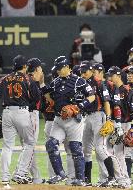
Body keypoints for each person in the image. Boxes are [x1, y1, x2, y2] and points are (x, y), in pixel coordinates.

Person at [41, 56, 95, 186]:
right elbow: (47, 94)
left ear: (67, 67)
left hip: (73, 121)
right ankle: (60, 174)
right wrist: (51, 99)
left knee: (76, 149)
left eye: (60, 68)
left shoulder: (79, 81)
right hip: (58, 119)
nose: (58, 71)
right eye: (57, 69)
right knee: (51, 144)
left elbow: (92, 96)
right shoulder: (55, 82)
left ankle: (81, 179)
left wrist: (78, 107)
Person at [0, 55, 40, 185]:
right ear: (24, 66)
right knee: (29, 143)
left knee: (7, 146)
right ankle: (20, 173)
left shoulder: (4, 79)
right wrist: (28, 106)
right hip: (22, 112)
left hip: (6, 112)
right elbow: (37, 97)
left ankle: (4, 177)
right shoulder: (28, 79)